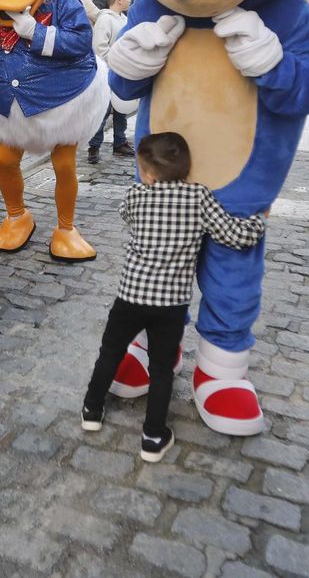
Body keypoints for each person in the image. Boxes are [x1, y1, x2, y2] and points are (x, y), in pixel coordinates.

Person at [80, 132, 267, 463]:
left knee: (109, 352)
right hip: (170, 305)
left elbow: (125, 214)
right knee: (162, 368)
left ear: (148, 174)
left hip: (130, 296)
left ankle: (92, 410)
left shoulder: (136, 195)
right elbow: (234, 236)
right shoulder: (199, 197)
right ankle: (153, 436)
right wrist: (258, 222)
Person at [89, 0, 133, 163]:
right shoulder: (105, 19)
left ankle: (120, 141)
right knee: (104, 109)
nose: (130, 0)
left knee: (122, 108)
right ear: (119, 0)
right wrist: (115, 62)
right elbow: (100, 47)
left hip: (122, 71)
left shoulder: (125, 19)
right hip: (108, 72)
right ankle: (94, 145)